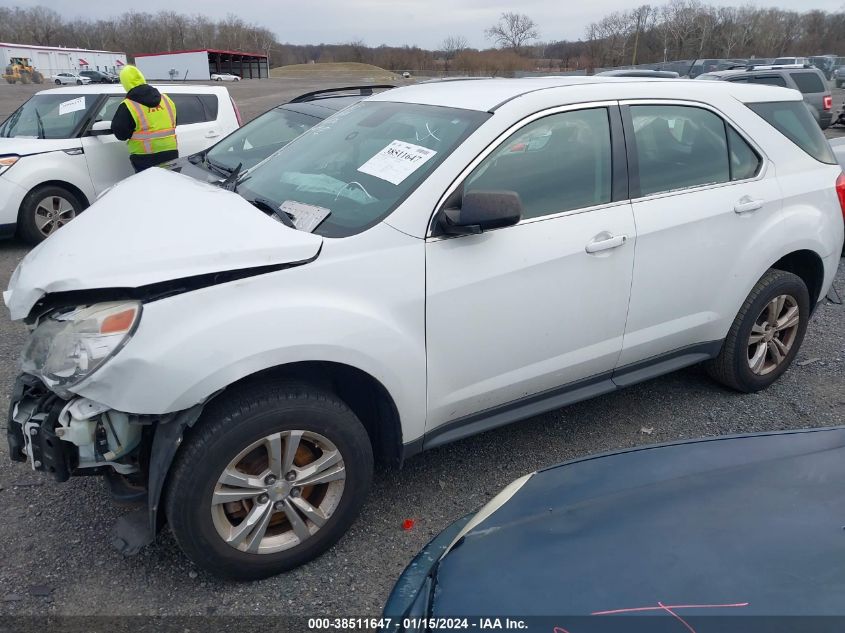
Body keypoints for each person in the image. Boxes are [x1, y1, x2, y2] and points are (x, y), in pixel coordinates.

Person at [111, 65, 178, 173]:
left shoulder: (128, 105)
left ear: (125, 84)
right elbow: (174, 122)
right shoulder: (166, 99)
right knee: (171, 185)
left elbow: (120, 134)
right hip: (171, 152)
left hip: (144, 158)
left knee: (149, 188)